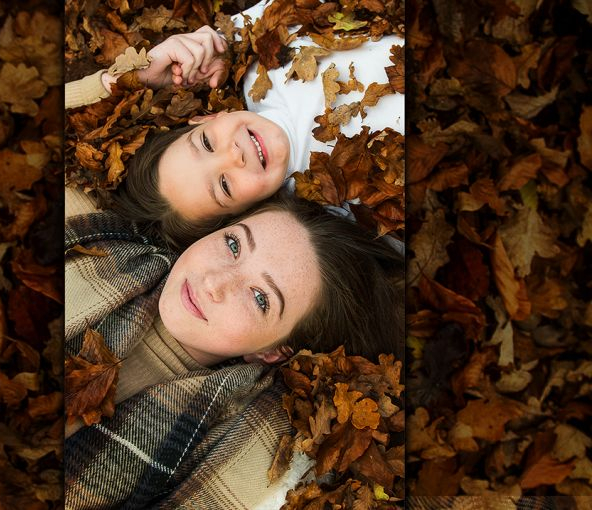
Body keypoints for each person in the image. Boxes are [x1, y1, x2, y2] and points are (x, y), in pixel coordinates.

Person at [64, 190, 403, 508]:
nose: (215, 282)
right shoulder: (90, 228)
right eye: (233, 245)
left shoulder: (245, 443)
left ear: (273, 352)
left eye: (260, 298)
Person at [66, 0, 404, 249]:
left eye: (207, 144)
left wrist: (211, 45)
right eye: (225, 185)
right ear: (249, 212)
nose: (234, 156)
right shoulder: (335, 205)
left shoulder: (256, 65)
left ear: (207, 117)